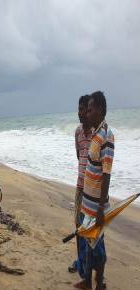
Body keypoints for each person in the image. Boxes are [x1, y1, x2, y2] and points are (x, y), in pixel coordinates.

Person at [76, 91, 114, 290]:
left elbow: (106, 173)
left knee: (97, 247)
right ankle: (87, 282)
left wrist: (101, 207)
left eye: (90, 110)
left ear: (99, 110)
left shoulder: (107, 136)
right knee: (88, 244)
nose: (87, 113)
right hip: (87, 202)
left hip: (96, 206)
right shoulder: (95, 134)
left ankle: (98, 289)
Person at [69, 95, 91, 277]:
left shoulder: (98, 134)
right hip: (79, 187)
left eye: (84, 109)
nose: (80, 113)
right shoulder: (77, 132)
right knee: (78, 226)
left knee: (92, 231)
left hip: (93, 191)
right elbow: (79, 156)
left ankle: (92, 265)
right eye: (79, 109)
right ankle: (81, 261)